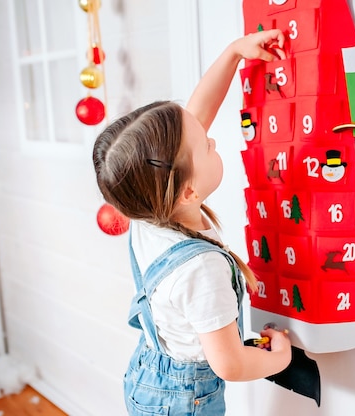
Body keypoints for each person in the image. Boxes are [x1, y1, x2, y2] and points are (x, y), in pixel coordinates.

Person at [92, 29, 292, 415]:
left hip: (147, 376)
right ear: (187, 192)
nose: (212, 140)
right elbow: (230, 364)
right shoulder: (202, 269)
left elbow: (196, 116)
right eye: (206, 144)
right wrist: (280, 358)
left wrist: (234, 54)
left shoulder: (146, 206)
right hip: (185, 402)